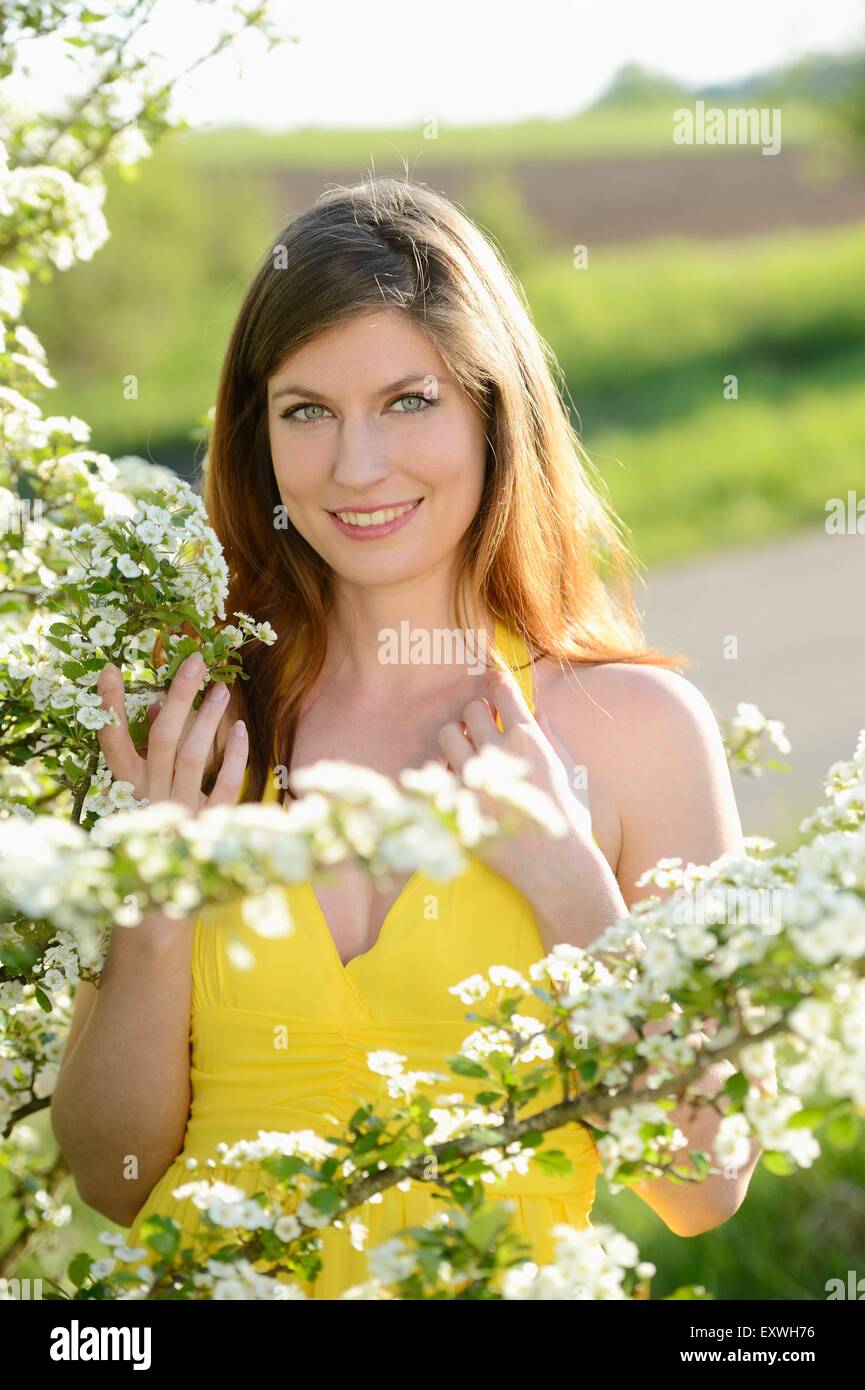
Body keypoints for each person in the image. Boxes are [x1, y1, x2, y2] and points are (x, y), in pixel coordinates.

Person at [51, 175, 760, 1300]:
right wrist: (152, 908)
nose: (356, 467)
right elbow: (114, 1177)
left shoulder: (636, 732)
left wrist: (569, 883)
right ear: (258, 433)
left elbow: (699, 1180)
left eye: (408, 402)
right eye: (307, 411)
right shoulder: (195, 723)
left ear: (492, 411)